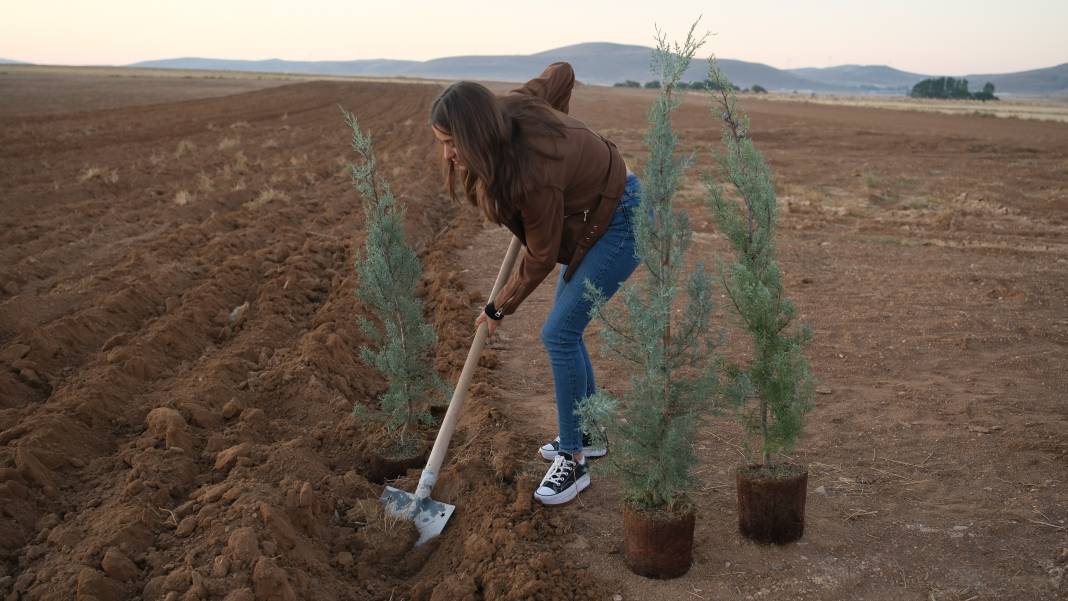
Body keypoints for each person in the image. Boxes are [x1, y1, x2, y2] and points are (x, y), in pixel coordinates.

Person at [430, 62, 641, 505]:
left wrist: (498, 308)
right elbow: (562, 73)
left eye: (452, 144)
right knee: (567, 331)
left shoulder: (534, 174)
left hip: (621, 222)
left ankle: (573, 459)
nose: (448, 155)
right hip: (597, 219)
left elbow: (541, 256)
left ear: (474, 133)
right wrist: (558, 126)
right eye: (442, 144)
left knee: (558, 334)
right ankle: (589, 431)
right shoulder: (513, 110)